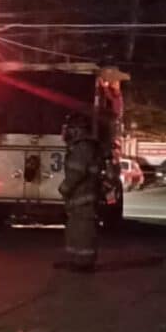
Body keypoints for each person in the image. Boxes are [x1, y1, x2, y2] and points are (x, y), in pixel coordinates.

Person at [56, 113, 99, 272]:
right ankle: (75, 260)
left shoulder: (83, 147)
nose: (66, 132)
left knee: (83, 230)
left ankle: (84, 263)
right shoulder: (79, 146)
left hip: (84, 197)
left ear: (78, 130)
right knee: (74, 229)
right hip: (78, 198)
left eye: (70, 129)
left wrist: (64, 188)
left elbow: (77, 171)